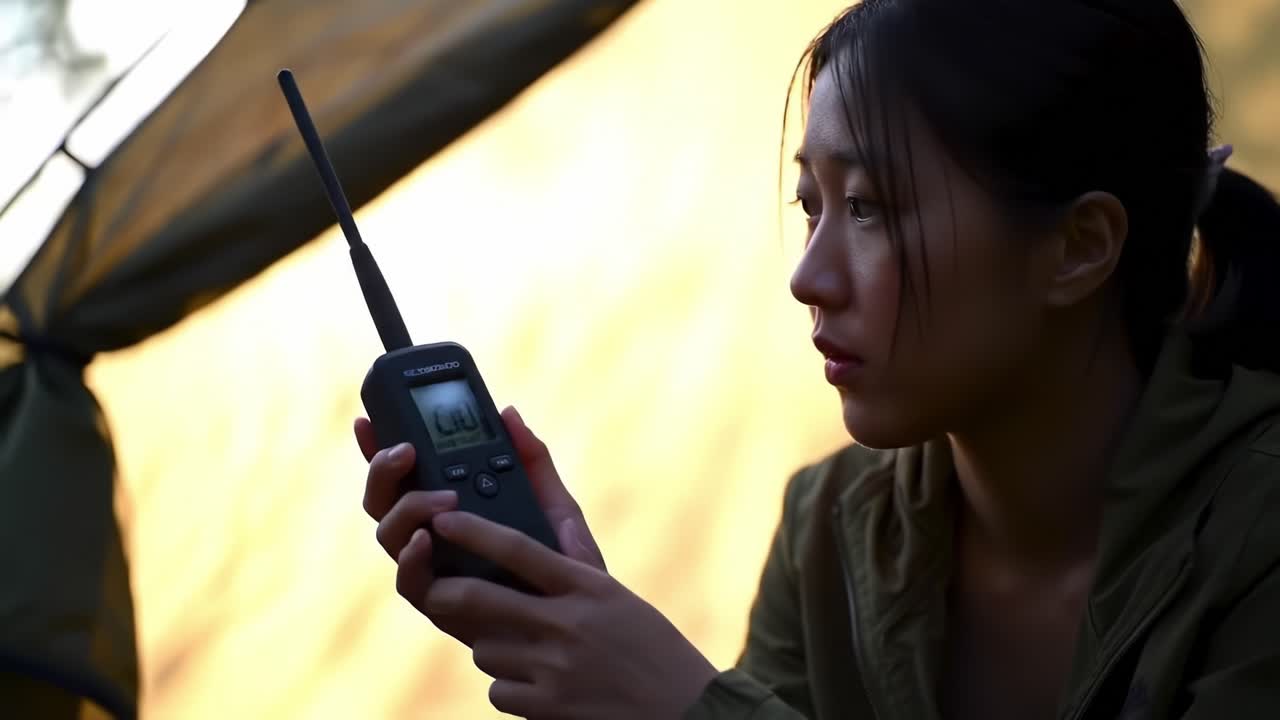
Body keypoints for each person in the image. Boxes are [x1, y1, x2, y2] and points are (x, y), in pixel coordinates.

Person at [353, 0, 1280, 717]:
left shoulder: (1258, 541)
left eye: (870, 207)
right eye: (811, 205)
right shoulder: (829, 532)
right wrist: (578, 631)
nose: (808, 278)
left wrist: (684, 704)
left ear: (1078, 247)